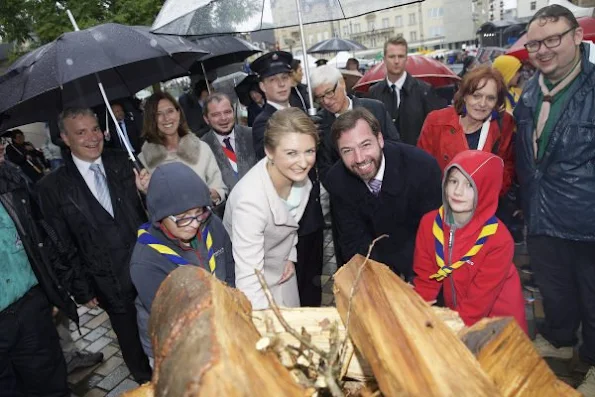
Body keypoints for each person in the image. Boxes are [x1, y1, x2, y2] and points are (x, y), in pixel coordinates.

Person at [36, 108, 152, 383]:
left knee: (164, 331)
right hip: (107, 280)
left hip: (147, 266)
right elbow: (59, 243)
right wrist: (81, 288)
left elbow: (152, 214)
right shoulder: (52, 188)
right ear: (65, 138)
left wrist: (148, 193)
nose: (92, 138)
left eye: (95, 129)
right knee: (132, 346)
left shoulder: (123, 161)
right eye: (81, 132)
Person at [514, 5, 595, 394]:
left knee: (594, 296)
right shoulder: (529, 93)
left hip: (587, 219)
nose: (543, 50)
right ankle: (561, 341)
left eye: (552, 40)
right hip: (542, 215)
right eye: (535, 43)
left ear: (577, 37)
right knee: (554, 289)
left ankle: (593, 359)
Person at [130, 162, 235, 364]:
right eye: (182, 218)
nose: (194, 224)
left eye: (198, 213)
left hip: (217, 321)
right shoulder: (145, 262)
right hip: (176, 341)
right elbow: (172, 318)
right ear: (159, 217)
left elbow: (229, 269)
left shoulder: (211, 223)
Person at [413, 150, 527, 333]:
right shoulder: (430, 224)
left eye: (470, 185)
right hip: (457, 313)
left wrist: (452, 329)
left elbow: (478, 303)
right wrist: (416, 314)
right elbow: (426, 279)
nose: (458, 191)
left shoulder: (498, 239)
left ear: (486, 189)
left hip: (497, 318)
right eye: (453, 181)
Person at [0, 138, 78, 396]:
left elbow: (41, 235)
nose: (2, 146)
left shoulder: (12, 179)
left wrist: (54, 288)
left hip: (29, 308)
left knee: (51, 387)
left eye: (1, 139)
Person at [325, 108, 442, 279]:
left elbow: (433, 231)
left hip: (420, 259)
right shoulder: (337, 181)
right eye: (347, 151)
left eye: (365, 145)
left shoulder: (422, 167)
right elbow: (353, 241)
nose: (359, 158)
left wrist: (417, 280)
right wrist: (381, 283)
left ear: (380, 139)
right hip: (374, 264)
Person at [251, 51, 325, 307]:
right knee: (296, 289)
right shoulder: (264, 124)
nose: (281, 84)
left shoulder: (301, 110)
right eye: (273, 80)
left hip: (312, 214)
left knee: (314, 281)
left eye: (284, 77)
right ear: (262, 86)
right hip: (288, 222)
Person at [224, 108, 317, 309]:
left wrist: (290, 256)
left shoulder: (300, 180)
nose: (303, 162)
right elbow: (248, 279)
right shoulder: (250, 203)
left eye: (309, 151)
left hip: (283, 271)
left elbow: (290, 226)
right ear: (269, 151)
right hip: (256, 284)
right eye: (291, 153)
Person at [417, 66, 515, 197]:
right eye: (476, 96)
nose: (482, 104)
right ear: (464, 96)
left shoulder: (504, 124)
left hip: (484, 204)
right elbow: (422, 169)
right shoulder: (436, 122)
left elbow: (507, 167)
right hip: (443, 203)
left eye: (490, 98)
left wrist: (489, 193)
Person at [310, 64, 400, 183]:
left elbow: (395, 147)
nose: (326, 101)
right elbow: (325, 171)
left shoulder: (375, 108)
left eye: (329, 92)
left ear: (342, 83)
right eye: (320, 97)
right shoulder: (319, 125)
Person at [138, 92, 227, 206]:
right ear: (152, 119)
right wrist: (145, 192)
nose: (166, 118)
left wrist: (211, 194)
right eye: (158, 114)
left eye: (170, 111)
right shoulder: (143, 160)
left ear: (178, 113)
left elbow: (219, 188)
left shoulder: (201, 148)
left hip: (206, 218)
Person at [368, 37, 447, 145]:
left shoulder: (425, 90)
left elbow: (435, 129)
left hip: (417, 156)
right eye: (392, 56)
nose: (396, 61)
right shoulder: (374, 92)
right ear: (384, 59)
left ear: (406, 59)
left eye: (400, 56)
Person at [201, 93, 257, 192]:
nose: (223, 118)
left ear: (233, 112)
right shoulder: (202, 148)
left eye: (227, 112)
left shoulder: (253, 135)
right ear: (206, 119)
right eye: (216, 114)